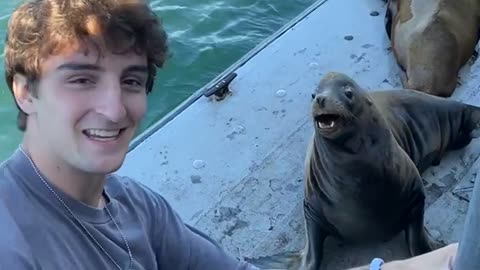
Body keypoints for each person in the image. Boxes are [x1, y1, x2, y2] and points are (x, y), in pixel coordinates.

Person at [0, 0, 461, 269]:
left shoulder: (135, 206)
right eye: (80, 79)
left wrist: (445, 261)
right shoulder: (12, 240)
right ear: (25, 91)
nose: (114, 107)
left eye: (131, 81)